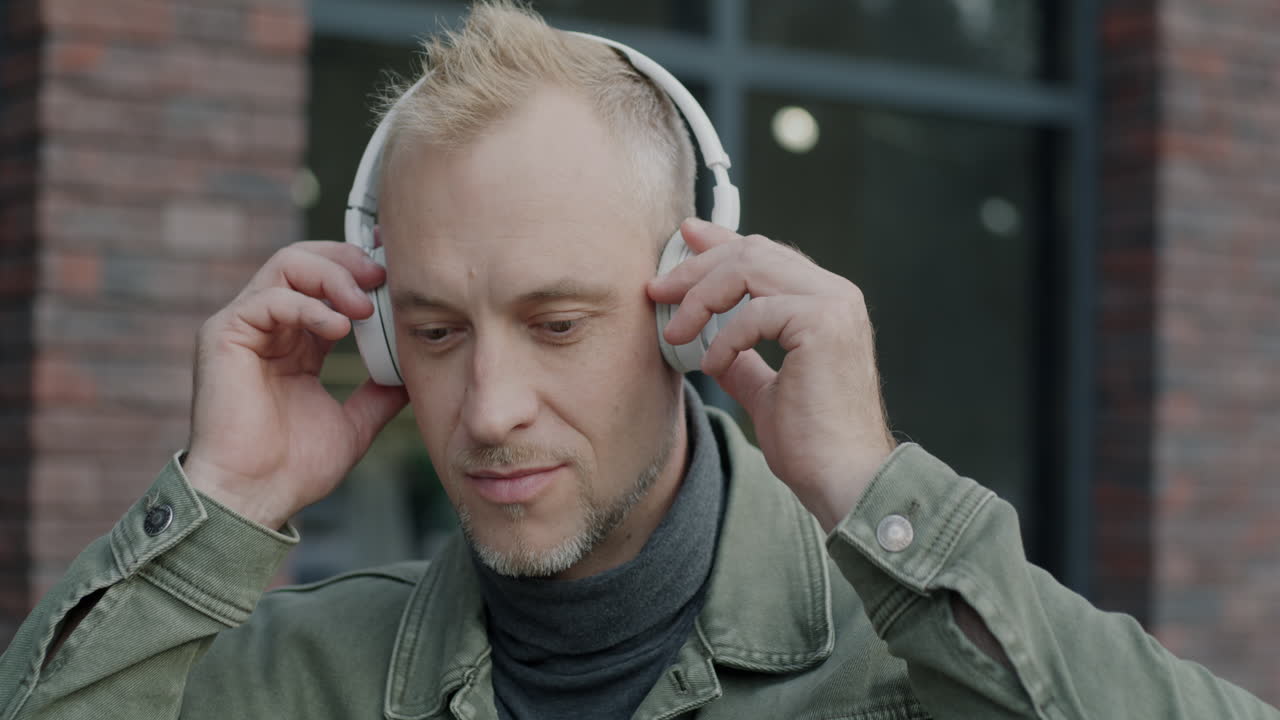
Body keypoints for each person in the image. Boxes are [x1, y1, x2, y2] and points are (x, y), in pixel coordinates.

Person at [1, 2, 1276, 718]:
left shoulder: (914, 675)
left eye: (559, 325)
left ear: (692, 310)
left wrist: (868, 489)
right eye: (436, 331)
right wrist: (214, 512)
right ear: (379, 332)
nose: (489, 410)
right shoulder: (289, 678)